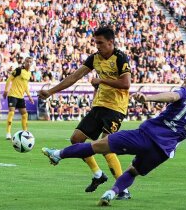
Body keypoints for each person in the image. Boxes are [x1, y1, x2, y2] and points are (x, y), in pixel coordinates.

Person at [41, 72, 186, 206]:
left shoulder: (185, 93)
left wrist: (148, 98)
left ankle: (58, 154)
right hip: (162, 152)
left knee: (96, 146)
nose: (182, 84)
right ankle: (112, 192)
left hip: (145, 136)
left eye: (185, 81)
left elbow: (172, 96)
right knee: (133, 171)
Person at [38, 26, 132, 198]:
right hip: (99, 105)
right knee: (76, 139)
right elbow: (74, 77)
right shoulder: (94, 58)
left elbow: (126, 84)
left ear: (111, 42)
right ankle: (98, 175)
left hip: (116, 108)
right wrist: (51, 91)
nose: (97, 46)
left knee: (106, 146)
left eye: (101, 43)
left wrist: (101, 80)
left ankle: (123, 189)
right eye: (96, 42)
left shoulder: (120, 58)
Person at [3, 57, 34, 140]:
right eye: (28, 61)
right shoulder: (19, 70)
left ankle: (25, 132)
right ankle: (8, 133)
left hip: (20, 96)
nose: (29, 63)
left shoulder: (29, 73)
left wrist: (29, 96)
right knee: (11, 112)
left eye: (31, 62)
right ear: (25, 62)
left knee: (25, 114)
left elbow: (25, 86)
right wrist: (6, 90)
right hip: (12, 95)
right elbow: (9, 79)